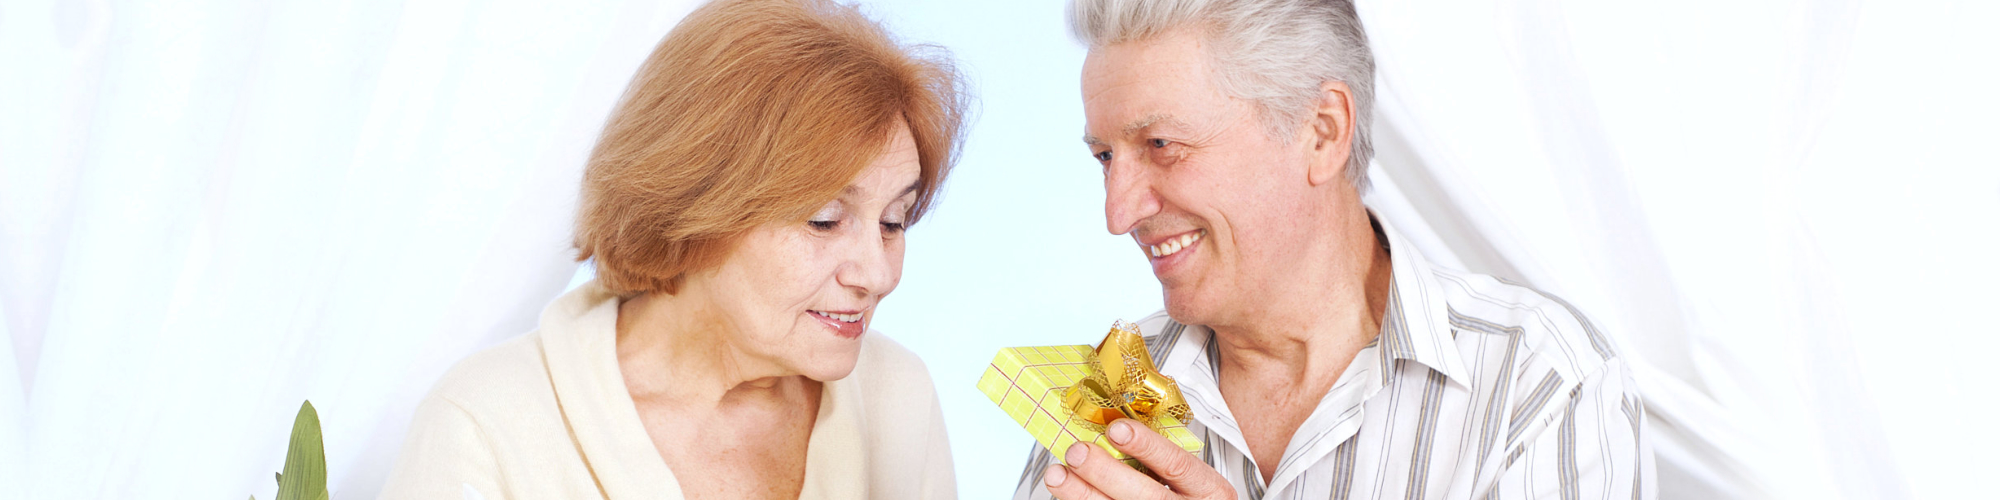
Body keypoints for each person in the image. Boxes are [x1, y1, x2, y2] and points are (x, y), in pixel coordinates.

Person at [1017, 1, 1653, 499]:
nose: (1117, 212)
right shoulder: (1103, 397)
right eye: (1104, 157)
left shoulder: (1538, 386)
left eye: (1161, 145)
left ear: (1322, 132)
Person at [377, 0, 966, 498]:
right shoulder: (485, 426)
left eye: (894, 221)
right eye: (823, 220)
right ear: (695, 208)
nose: (878, 274)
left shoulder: (897, 392)